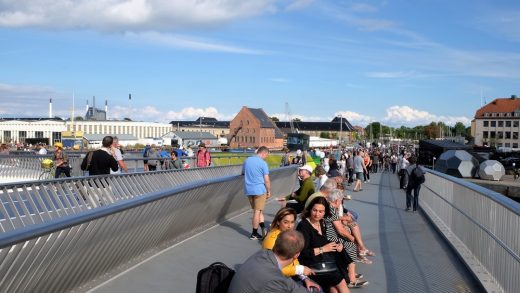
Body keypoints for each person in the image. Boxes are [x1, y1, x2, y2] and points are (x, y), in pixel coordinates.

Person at [229, 230, 318, 293]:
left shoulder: (262, 254)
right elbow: (278, 280)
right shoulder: (274, 279)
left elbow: (288, 283)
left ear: (276, 244)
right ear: (297, 255)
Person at [296, 197, 350, 293]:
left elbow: (325, 241)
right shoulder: (303, 226)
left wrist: (338, 245)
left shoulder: (322, 222)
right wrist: (323, 249)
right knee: (341, 284)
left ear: (325, 212)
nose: (317, 214)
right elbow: (303, 253)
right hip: (312, 265)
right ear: (310, 209)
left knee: (334, 290)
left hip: (325, 263)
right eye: (315, 210)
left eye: (321, 211)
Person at [262, 208, 317, 287]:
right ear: (278, 222)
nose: (290, 226)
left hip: (288, 274)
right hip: (275, 280)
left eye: (292, 222)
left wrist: (304, 278)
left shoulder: (287, 236)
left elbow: (293, 259)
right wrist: (300, 270)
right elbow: (273, 268)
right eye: (286, 222)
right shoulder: (271, 241)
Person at [326, 190, 370, 288]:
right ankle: (351, 279)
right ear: (337, 201)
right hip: (329, 238)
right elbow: (340, 230)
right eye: (341, 201)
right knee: (350, 245)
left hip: (330, 235)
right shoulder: (331, 209)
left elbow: (337, 222)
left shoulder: (330, 207)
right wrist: (353, 239)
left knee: (350, 243)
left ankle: (350, 273)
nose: (341, 203)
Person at [242, 146, 271, 240]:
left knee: (259, 210)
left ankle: (263, 227)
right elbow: (266, 180)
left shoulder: (247, 160)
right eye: (266, 155)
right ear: (263, 153)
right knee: (257, 211)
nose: (266, 157)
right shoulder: (263, 163)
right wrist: (269, 191)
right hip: (259, 190)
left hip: (249, 190)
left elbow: (242, 173)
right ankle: (254, 234)